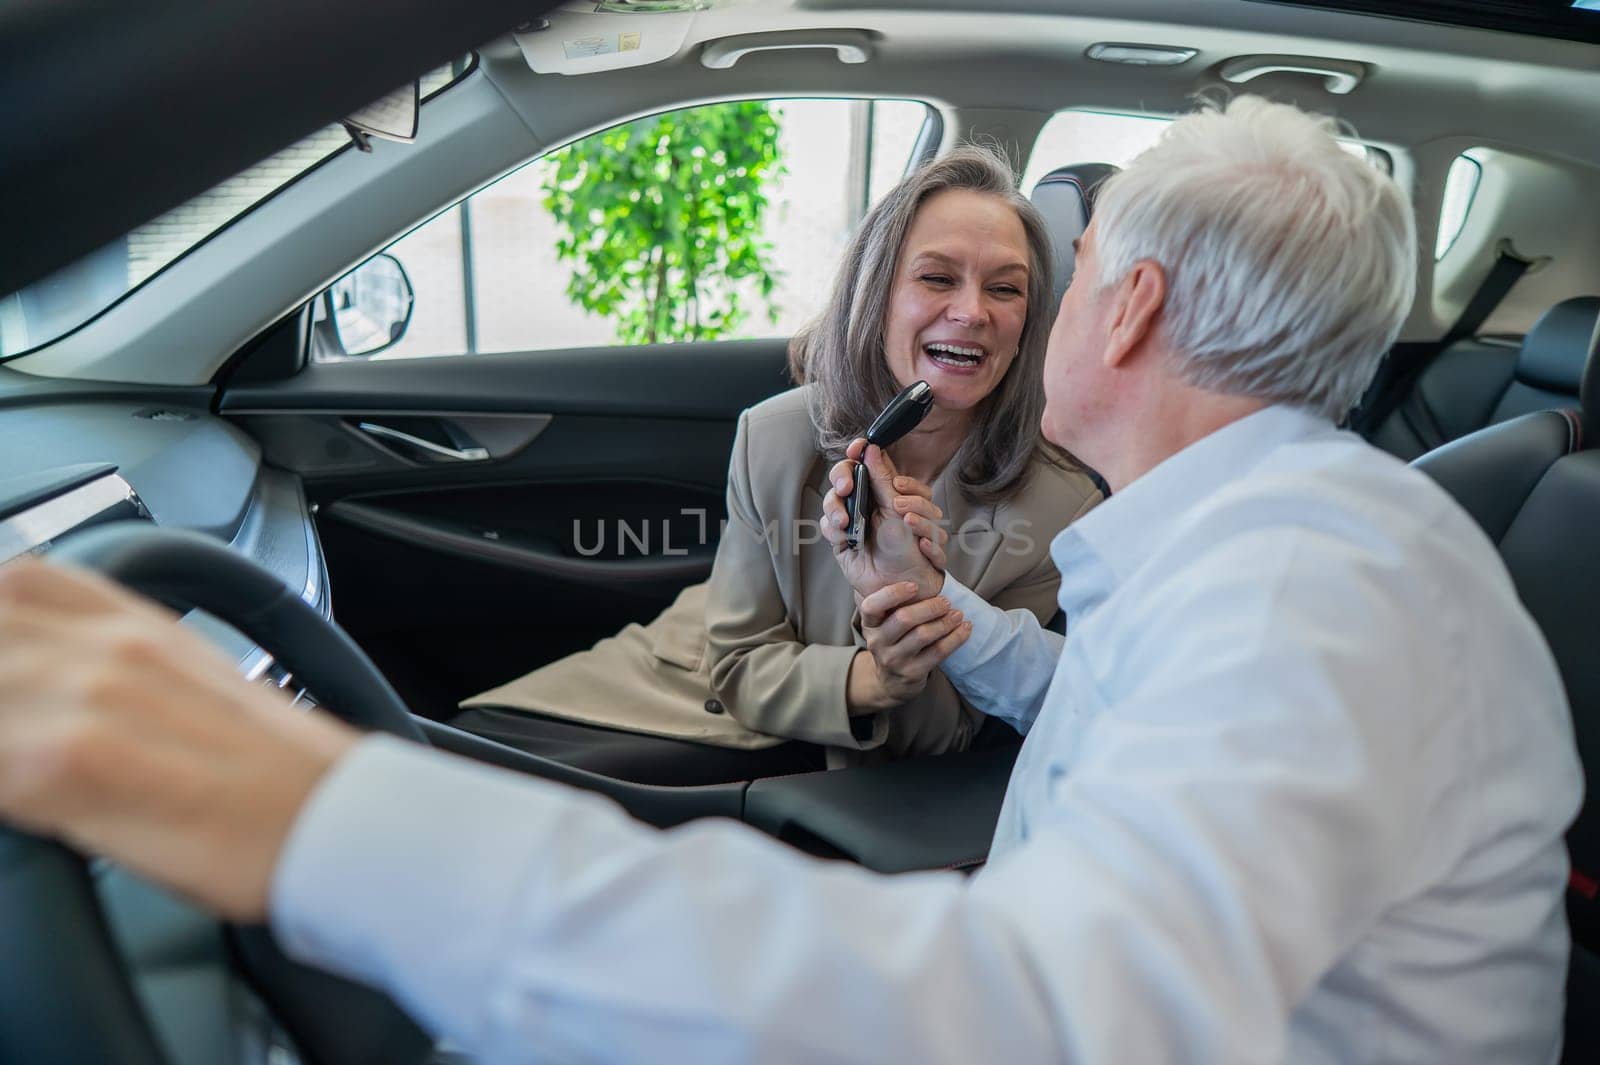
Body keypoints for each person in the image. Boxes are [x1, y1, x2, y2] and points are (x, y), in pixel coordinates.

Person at [0, 96, 1581, 1064]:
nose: (1022, 308)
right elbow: (1101, 708)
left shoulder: (1305, 601)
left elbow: (1037, 1026)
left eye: (1064, 270)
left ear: (1128, 305)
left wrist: (309, 814)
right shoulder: (1258, 551)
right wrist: (951, 619)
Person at [451, 144, 1100, 783]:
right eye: (937, 278)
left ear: (1028, 323)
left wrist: (901, 664)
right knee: (463, 764)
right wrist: (871, 677)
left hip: (848, 767)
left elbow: (947, 736)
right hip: (679, 685)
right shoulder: (776, 434)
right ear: (876, 296)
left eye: (1005, 289)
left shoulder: (1058, 505)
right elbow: (735, 663)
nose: (971, 312)